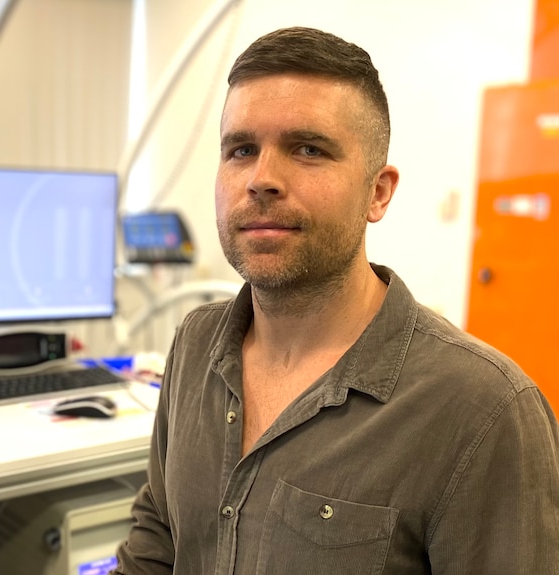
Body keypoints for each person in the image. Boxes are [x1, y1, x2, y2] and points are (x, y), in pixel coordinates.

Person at [112, 26, 559, 574]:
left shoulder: (483, 410)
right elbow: (158, 535)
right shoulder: (195, 344)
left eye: (308, 149)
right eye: (241, 149)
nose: (261, 179)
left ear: (378, 192)